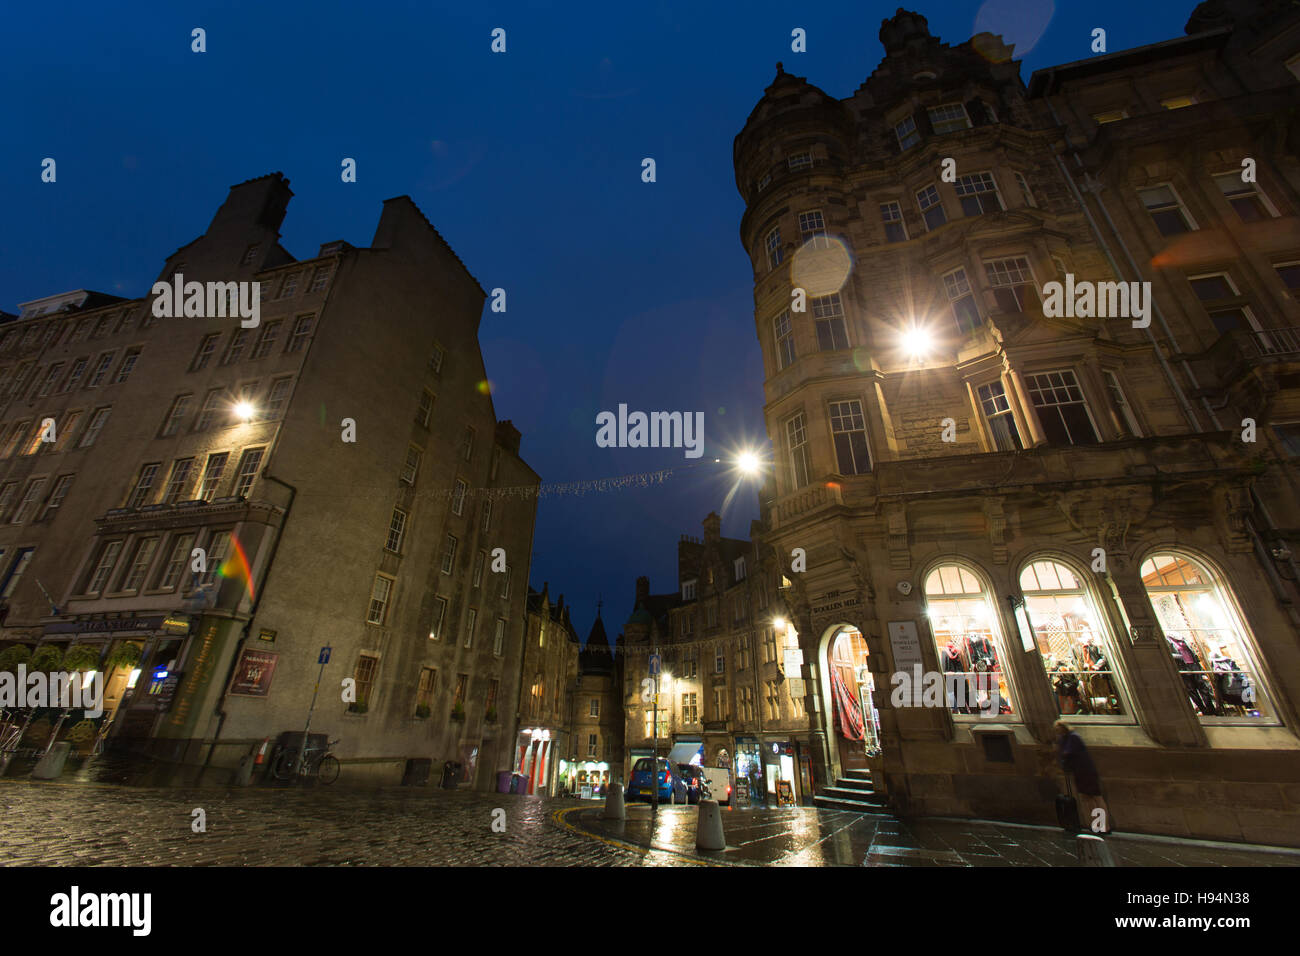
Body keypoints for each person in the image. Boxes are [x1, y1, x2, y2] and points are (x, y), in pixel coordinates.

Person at [1054, 720, 1112, 834]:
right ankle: (1096, 825)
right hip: (1078, 772)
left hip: (1086, 771)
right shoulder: (1064, 739)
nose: (1057, 731)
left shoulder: (1073, 737)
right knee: (1086, 798)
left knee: (1096, 797)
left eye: (1058, 729)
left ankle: (1104, 826)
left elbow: (1067, 752)